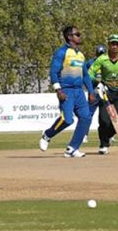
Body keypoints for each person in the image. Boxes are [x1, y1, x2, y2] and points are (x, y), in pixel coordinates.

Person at [39, 25, 96, 158]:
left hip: (79, 91)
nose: (80, 36)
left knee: (86, 117)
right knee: (67, 119)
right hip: (66, 90)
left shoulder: (80, 55)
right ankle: (47, 134)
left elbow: (85, 76)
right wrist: (58, 89)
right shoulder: (61, 52)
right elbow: (53, 71)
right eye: (77, 34)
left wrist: (91, 92)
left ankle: (72, 148)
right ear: (69, 37)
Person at [87, 34, 118, 155]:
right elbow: (89, 73)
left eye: (117, 44)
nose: (114, 46)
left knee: (117, 120)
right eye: (112, 44)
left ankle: (107, 138)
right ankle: (103, 145)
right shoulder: (102, 59)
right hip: (106, 92)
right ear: (108, 45)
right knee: (104, 121)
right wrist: (97, 83)